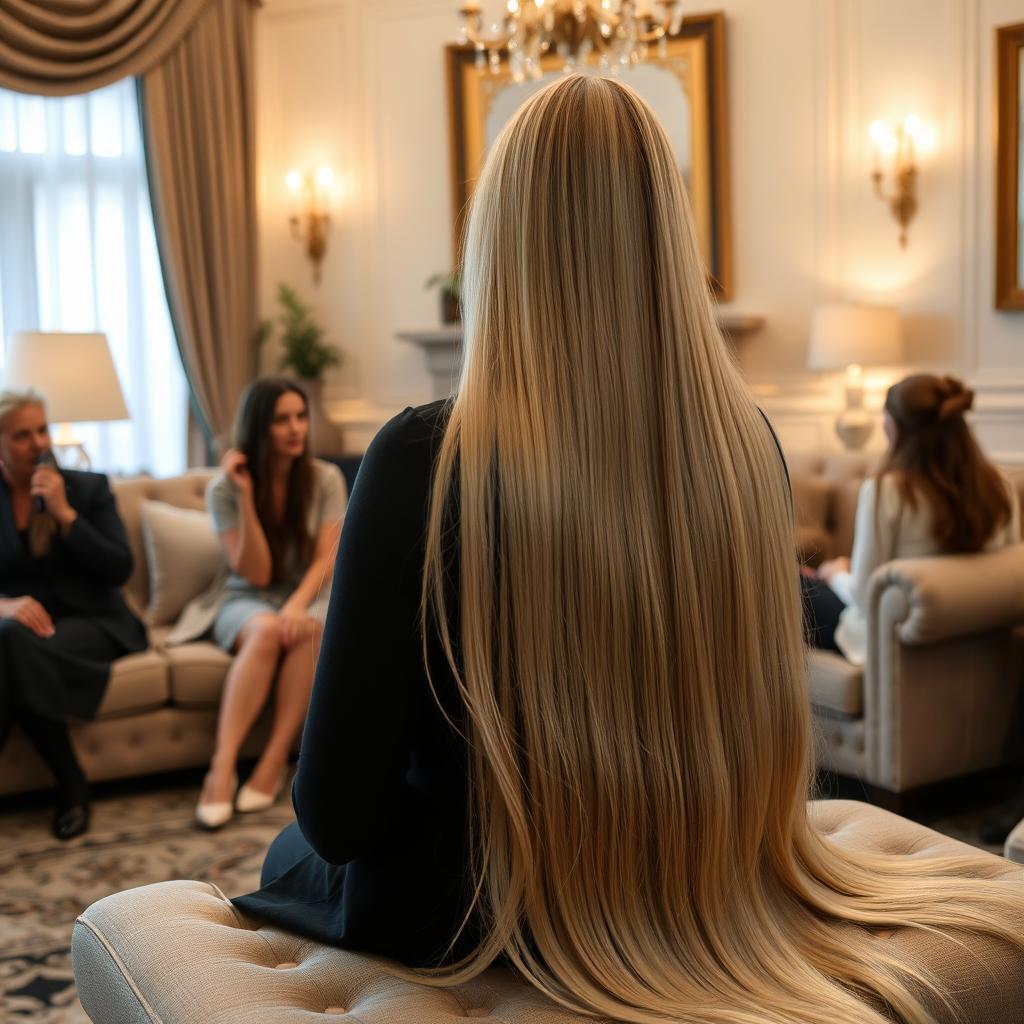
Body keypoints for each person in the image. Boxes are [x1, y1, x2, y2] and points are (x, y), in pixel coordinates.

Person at [234, 77, 1024, 1023]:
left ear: (500, 242)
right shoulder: (747, 449)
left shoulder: (418, 458)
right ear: (668, 240)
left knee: (291, 854)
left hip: (485, 905)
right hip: (709, 874)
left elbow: (340, 815)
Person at [179, 377, 345, 829]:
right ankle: (223, 767)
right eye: (281, 420)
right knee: (269, 628)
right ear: (258, 427)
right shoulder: (224, 490)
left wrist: (296, 607)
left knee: (311, 628)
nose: (295, 428)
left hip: (308, 594)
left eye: (300, 416)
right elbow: (252, 572)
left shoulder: (325, 478)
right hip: (245, 598)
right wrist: (247, 498)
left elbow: (325, 561)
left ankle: (273, 762)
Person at [0, 389, 147, 839]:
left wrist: (66, 516)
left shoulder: (87, 488)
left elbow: (119, 568)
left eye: (42, 430)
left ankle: (73, 785)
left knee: (10, 646)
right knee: (11, 642)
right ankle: (72, 783)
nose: (38, 443)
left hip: (95, 622)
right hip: (22, 632)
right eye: (22, 435)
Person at [810, 374, 1018, 666]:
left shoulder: (887, 491)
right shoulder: (999, 486)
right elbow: (1009, 576)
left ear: (894, 426)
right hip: (973, 636)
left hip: (889, 639)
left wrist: (835, 574)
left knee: (795, 584)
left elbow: (864, 595)